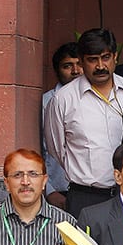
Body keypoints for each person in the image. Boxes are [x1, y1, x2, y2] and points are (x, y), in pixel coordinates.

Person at [44, 27, 123, 218]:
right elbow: (57, 149)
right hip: (85, 197)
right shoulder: (63, 99)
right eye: (92, 60)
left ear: (115, 57)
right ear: (81, 61)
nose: (100, 66)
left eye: (105, 57)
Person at [41, 42, 82, 210]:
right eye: (68, 66)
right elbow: (38, 150)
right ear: (58, 70)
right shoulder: (47, 102)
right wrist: (48, 190)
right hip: (57, 190)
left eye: (79, 64)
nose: (75, 71)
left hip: (91, 190)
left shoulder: (96, 100)